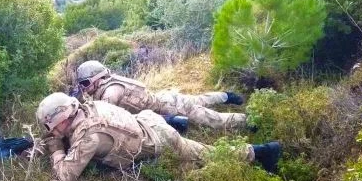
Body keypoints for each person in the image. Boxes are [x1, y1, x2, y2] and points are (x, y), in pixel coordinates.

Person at [36, 92, 281, 181]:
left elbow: (66, 175)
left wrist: (56, 149)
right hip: (148, 121)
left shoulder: (89, 136)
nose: (52, 131)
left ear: (65, 118)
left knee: (205, 155)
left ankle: (262, 151)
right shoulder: (91, 106)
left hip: (158, 139)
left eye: (53, 127)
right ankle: (178, 123)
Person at [75, 60, 246, 131]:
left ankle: (249, 121)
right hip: (165, 99)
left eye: (85, 83)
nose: (84, 88)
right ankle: (225, 96)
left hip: (171, 106)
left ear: (97, 79)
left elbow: (108, 119)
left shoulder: (110, 93)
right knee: (199, 99)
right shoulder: (109, 84)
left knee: (214, 120)